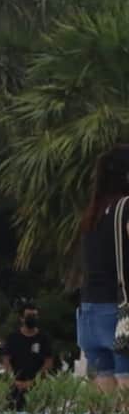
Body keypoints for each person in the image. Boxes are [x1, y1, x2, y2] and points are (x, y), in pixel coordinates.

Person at [78, 145, 129, 394]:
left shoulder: (93, 213)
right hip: (120, 316)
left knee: (103, 405)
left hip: (89, 312)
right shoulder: (126, 207)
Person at [2, 299, 54, 410]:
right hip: (15, 389)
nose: (33, 318)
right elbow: (6, 360)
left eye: (35, 315)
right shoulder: (13, 338)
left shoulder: (44, 338)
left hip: (38, 389)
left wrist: (33, 382)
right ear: (21, 318)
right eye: (29, 316)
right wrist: (14, 380)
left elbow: (48, 362)